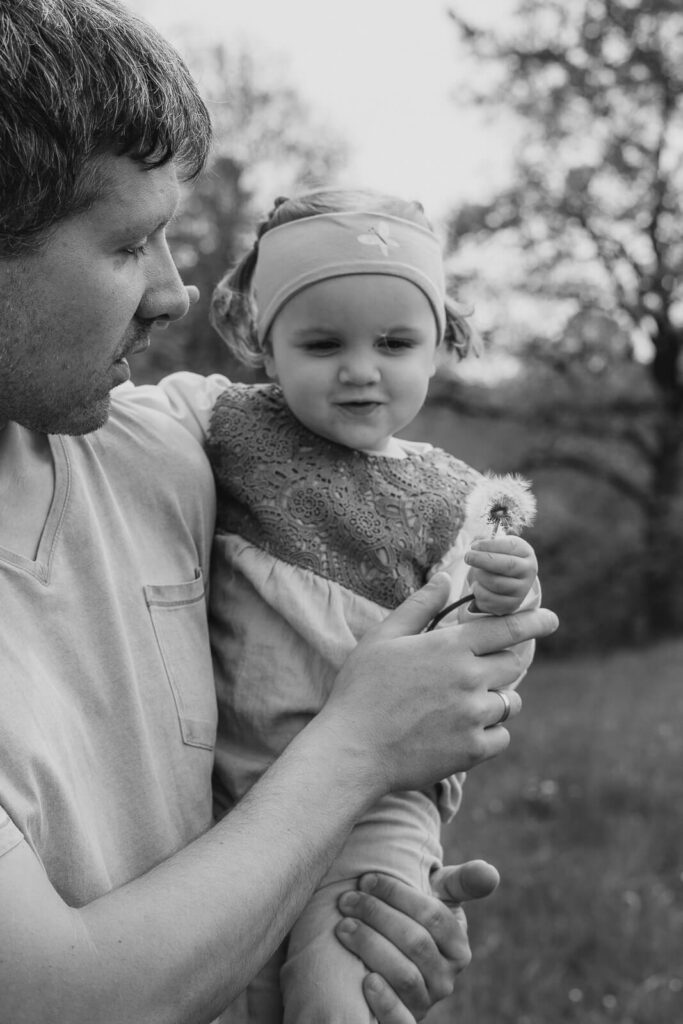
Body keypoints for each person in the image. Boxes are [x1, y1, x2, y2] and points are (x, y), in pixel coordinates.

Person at [0, 2, 559, 1023]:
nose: (178, 291)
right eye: (129, 244)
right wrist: (359, 752)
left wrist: (356, 921)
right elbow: (58, 1000)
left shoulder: (175, 448)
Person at [201, 189, 542, 1022]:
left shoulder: (453, 495)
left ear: (439, 346)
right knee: (227, 988)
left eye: (395, 342)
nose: (360, 368)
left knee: (342, 982)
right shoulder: (224, 425)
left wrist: (502, 593)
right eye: (321, 342)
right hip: (221, 786)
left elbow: (486, 646)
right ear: (265, 347)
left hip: (378, 800)